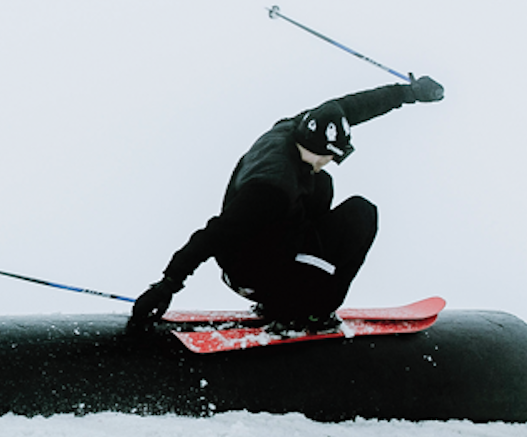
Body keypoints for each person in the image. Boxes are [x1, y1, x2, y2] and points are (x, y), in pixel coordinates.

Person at [127, 76, 445, 333]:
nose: (330, 161)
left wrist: (409, 93)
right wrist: (167, 285)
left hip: (263, 247)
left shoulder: (295, 128)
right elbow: (215, 233)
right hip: (250, 270)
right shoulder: (272, 188)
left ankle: (289, 295)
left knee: (321, 183)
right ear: (316, 148)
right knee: (362, 214)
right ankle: (308, 311)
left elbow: (353, 106)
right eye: (330, 156)